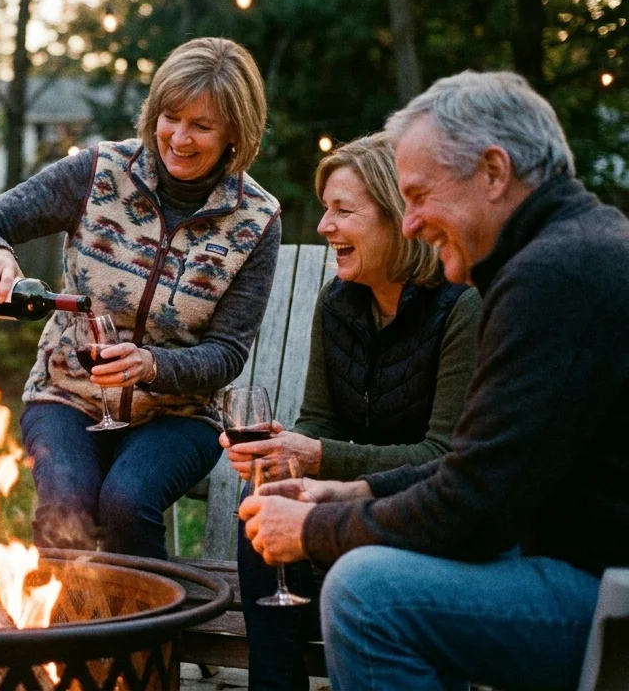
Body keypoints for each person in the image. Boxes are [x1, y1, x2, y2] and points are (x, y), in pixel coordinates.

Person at [240, 70, 629, 690]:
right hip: (576, 565)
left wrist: (316, 531)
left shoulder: (551, 278)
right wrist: (349, 492)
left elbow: (475, 509)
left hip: (608, 595)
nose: (412, 222)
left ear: (494, 172)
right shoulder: (572, 250)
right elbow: (484, 469)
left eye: (419, 195)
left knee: (367, 595)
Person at [0, 37, 281, 559]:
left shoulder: (255, 221)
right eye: (171, 116)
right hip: (66, 397)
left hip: (180, 416)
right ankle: (65, 635)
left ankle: (145, 638)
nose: (179, 137)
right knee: (66, 506)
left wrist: (151, 366)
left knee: (128, 501)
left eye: (202, 125)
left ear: (234, 134)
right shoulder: (100, 172)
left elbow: (227, 354)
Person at [221, 135, 479, 691]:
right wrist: (280, 451)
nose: (323, 226)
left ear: (396, 216)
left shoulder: (460, 308)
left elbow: (443, 456)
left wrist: (316, 454)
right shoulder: (338, 302)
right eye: (325, 209)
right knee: (263, 498)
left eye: (343, 211)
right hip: (341, 509)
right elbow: (319, 420)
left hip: (421, 517)